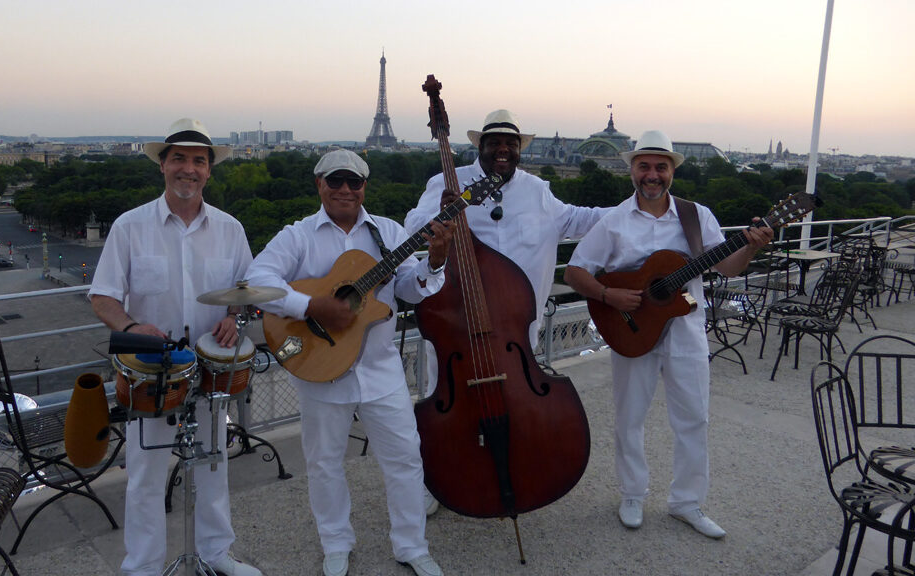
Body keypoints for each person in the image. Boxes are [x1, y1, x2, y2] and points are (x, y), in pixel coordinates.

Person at [245, 150, 453, 576]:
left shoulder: (389, 232)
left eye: (354, 182)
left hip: (381, 370)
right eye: (335, 181)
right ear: (319, 183)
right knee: (324, 463)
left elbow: (412, 291)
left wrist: (434, 261)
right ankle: (336, 542)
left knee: (406, 458)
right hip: (320, 369)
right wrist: (312, 306)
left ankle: (412, 545)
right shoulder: (298, 236)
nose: (345, 190)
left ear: (364, 187)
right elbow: (257, 281)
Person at [563, 130, 774, 539]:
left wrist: (750, 247)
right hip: (631, 330)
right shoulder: (614, 222)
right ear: (632, 171)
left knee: (694, 418)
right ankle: (632, 494)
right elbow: (575, 271)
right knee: (629, 419)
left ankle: (687, 502)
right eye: (644, 166)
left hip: (686, 330)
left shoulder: (697, 217)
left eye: (661, 166)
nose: (652, 175)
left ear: (672, 171)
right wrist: (608, 294)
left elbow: (727, 267)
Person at [404, 109, 609, 515]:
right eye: (494, 142)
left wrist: (635, 210)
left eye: (510, 144)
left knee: (517, 403)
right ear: (478, 146)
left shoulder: (538, 191)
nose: (502, 149)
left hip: (517, 327)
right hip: (455, 327)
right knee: (444, 403)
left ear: (518, 150)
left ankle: (512, 468)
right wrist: (440, 214)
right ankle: (437, 478)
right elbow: (412, 230)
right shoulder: (446, 183)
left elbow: (579, 220)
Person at [89, 118, 261, 576]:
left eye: (199, 161)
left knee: (213, 465)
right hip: (151, 372)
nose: (189, 169)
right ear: (162, 165)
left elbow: (249, 294)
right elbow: (102, 296)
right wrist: (130, 324)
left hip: (210, 369)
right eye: (180, 159)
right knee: (145, 475)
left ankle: (216, 553)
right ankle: (142, 566)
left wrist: (234, 317)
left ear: (209, 171)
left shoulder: (230, 229)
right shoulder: (130, 227)